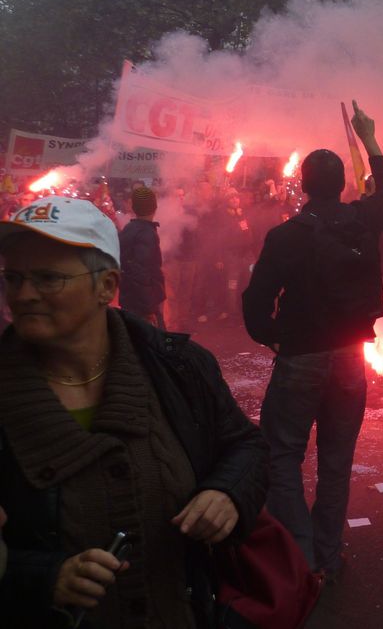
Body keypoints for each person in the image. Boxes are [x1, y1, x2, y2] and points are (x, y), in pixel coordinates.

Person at [0, 196, 267, 628]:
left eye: (48, 278)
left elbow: (245, 446)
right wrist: (42, 578)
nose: (23, 295)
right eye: (13, 278)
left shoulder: (179, 367)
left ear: (106, 286)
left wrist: (227, 493)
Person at [242, 102, 383, 582]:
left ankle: (303, 559)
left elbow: (255, 302)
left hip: (302, 356)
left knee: (282, 454)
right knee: (336, 459)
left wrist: (273, 338)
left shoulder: (285, 236)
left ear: (305, 185)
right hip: (351, 357)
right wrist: (369, 137)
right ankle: (327, 554)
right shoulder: (361, 219)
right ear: (342, 185)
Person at [117, 185, 166, 328]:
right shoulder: (146, 233)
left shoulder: (129, 228)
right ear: (154, 207)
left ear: (134, 208)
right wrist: (148, 308)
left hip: (129, 298)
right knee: (155, 343)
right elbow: (140, 272)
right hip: (143, 303)